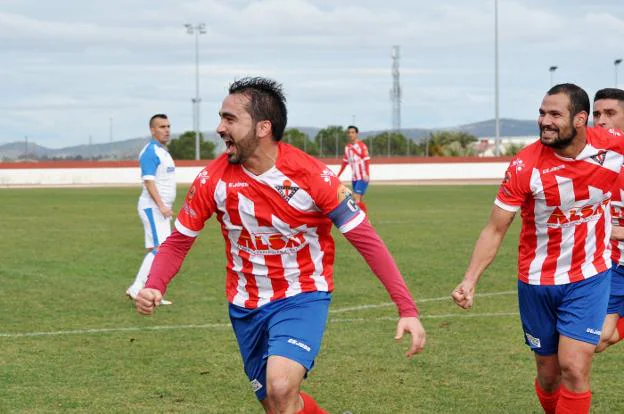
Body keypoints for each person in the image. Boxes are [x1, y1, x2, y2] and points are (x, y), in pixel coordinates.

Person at [134, 77, 426, 414]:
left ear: (262, 127)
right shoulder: (211, 180)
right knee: (276, 403)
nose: (219, 128)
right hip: (245, 305)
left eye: (230, 119)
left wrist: (407, 308)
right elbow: (178, 241)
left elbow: (367, 240)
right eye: (221, 118)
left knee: (282, 386)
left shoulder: (311, 176)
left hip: (302, 295)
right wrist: (155, 284)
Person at [452, 83, 624, 414]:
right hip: (538, 280)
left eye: (555, 114)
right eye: (542, 113)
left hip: (590, 274)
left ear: (580, 119)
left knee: (574, 366)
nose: (545, 121)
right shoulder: (525, 166)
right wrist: (470, 279)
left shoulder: (612, 146)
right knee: (548, 376)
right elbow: (495, 228)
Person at [126, 114, 175, 305]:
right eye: (162, 126)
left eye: (168, 126)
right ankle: (138, 288)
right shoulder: (150, 152)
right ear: (152, 130)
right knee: (161, 250)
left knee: (159, 250)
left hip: (160, 209)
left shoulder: (163, 151)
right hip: (153, 208)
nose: (167, 130)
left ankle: (150, 291)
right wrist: (161, 205)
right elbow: (148, 181)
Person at [592, 88, 624, 352]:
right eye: (596, 114)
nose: (601, 120)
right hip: (614, 263)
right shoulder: (590, 162)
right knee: (599, 339)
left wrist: (616, 231)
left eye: (610, 113)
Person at [336, 125, 370, 213]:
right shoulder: (347, 147)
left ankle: (359, 220)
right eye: (349, 133)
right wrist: (338, 175)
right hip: (354, 178)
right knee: (358, 200)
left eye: (353, 132)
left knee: (355, 197)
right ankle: (365, 220)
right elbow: (345, 162)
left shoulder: (362, 146)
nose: (350, 134)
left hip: (362, 177)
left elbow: (366, 160)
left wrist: (367, 173)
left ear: (357, 134)